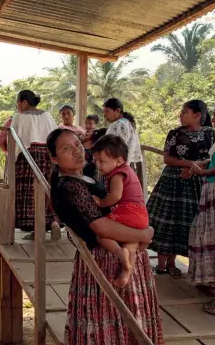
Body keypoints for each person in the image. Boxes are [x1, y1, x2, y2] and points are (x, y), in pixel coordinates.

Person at [47, 128, 163, 344]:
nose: (76, 151)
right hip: (105, 261)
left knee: (127, 322)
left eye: (78, 145)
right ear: (54, 158)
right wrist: (144, 234)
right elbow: (101, 228)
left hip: (116, 256)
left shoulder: (84, 178)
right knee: (114, 323)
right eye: (66, 148)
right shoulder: (69, 187)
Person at [148, 100, 215, 277]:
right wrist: (188, 164)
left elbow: (214, 158)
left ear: (197, 115)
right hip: (172, 181)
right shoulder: (175, 133)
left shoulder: (210, 134)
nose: (181, 114)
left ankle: (174, 263)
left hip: (197, 182)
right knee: (166, 220)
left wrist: (194, 168)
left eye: (185, 112)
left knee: (187, 221)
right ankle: (162, 263)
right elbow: (167, 159)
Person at [0, 90, 60, 240]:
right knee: (46, 190)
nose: (17, 106)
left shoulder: (19, 117)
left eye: (18, 102)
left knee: (30, 195)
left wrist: (10, 157)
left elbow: (8, 140)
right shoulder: (48, 116)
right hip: (48, 157)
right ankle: (53, 223)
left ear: (24, 102)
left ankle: (37, 229)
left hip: (27, 157)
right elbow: (57, 135)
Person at [91, 135, 149, 288]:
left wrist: (102, 202)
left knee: (102, 233)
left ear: (119, 160)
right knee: (131, 243)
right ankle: (126, 273)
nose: (98, 165)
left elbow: (116, 196)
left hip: (127, 211)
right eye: (96, 161)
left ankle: (118, 251)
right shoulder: (127, 170)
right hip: (140, 215)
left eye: (102, 161)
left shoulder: (118, 174)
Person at [188, 99, 215, 316]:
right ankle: (212, 282)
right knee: (209, 238)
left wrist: (204, 172)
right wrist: (202, 166)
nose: (213, 118)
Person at [103, 98, 143, 168]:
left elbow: (116, 149)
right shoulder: (128, 123)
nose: (104, 115)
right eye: (104, 112)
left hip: (117, 166)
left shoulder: (119, 124)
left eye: (107, 112)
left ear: (117, 111)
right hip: (126, 165)